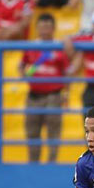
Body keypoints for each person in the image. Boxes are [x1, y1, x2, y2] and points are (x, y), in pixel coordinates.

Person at [20, 14, 70, 163]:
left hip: (53, 96)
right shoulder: (31, 47)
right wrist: (23, 73)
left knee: (53, 133)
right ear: (37, 28)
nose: (45, 30)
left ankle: (51, 164)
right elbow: (22, 66)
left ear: (54, 28)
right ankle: (33, 164)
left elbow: (66, 72)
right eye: (41, 26)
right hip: (33, 96)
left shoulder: (59, 47)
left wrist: (66, 94)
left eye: (48, 26)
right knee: (32, 132)